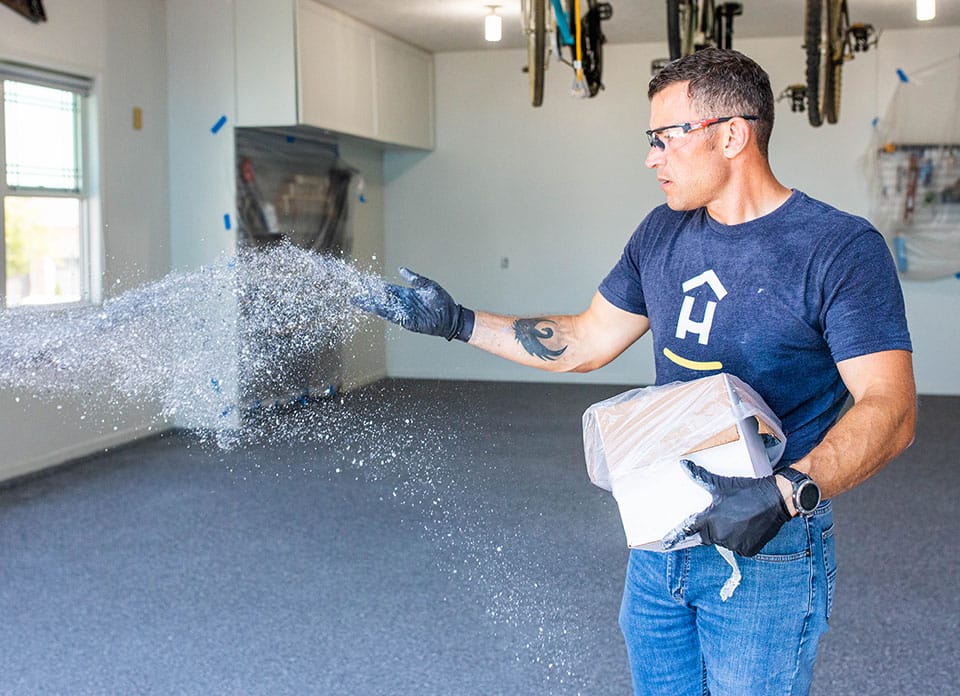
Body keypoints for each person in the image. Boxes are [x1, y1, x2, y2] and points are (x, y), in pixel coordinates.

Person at [354, 48, 916, 695]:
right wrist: (457, 322)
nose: (652, 157)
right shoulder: (661, 234)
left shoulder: (838, 248)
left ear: (732, 133)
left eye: (665, 138)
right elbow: (587, 339)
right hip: (660, 530)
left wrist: (784, 493)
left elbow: (890, 407)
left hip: (770, 539)